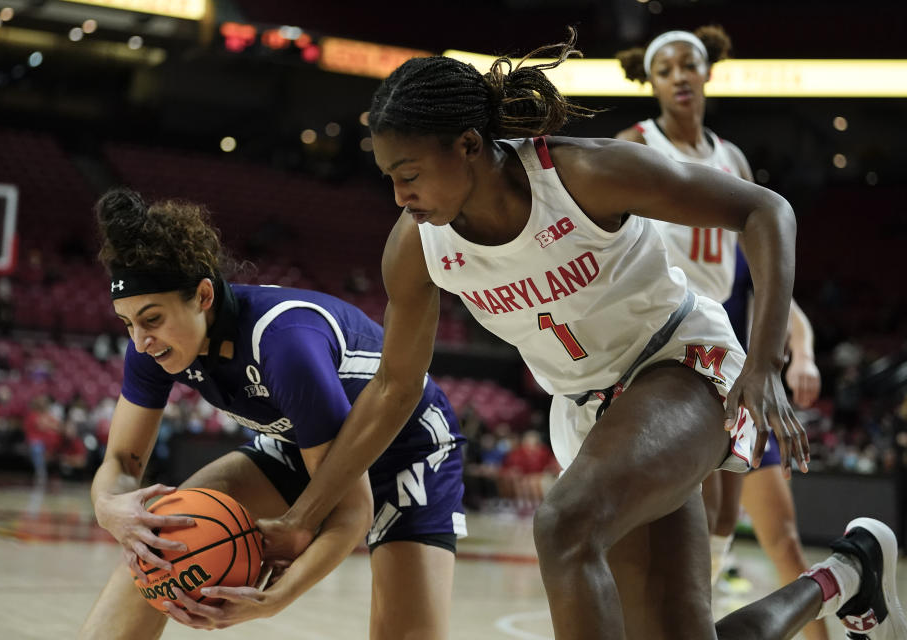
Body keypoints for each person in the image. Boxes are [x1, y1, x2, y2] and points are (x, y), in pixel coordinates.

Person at [254, 29, 906, 640]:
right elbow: (395, 387)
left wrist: (764, 362)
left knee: (564, 525)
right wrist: (300, 518)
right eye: (388, 177)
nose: (399, 196)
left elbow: (767, 211)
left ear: (469, 146)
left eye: (410, 173)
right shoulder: (417, 247)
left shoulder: (582, 175)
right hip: (591, 412)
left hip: (681, 365)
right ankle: (848, 573)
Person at [77, 188, 465, 639]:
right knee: (157, 540)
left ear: (203, 295)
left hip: (408, 447)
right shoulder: (151, 349)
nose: (140, 340)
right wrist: (110, 508)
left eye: (151, 319)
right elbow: (122, 463)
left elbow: (350, 511)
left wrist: (276, 599)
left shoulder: (283, 344)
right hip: (303, 444)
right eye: (128, 323)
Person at [614, 26, 827, 639]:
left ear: (708, 73)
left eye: (690, 65)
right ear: (650, 82)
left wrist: (799, 348)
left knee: (730, 508)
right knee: (685, 508)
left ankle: (694, 613)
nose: (680, 76)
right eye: (666, 69)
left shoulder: (730, 159)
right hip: (658, 340)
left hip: (724, 339)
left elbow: (763, 274)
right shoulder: (636, 144)